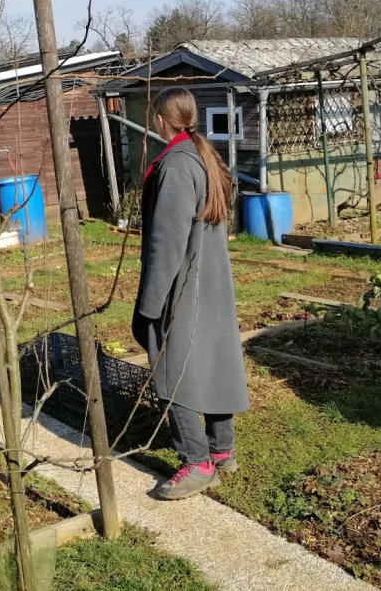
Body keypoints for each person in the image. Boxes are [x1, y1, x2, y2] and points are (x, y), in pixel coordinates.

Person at [132, 87, 249, 500]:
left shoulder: (177, 166)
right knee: (212, 359)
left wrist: (150, 305)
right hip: (211, 281)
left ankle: (198, 462)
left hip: (184, 287)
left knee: (172, 369)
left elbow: (167, 243)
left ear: (161, 119)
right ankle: (223, 450)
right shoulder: (202, 155)